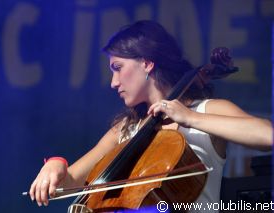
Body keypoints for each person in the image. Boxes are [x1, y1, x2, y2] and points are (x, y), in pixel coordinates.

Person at [28, 20, 272, 210]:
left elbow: (267, 136)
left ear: (146, 63)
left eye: (118, 68)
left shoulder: (206, 110)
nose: (113, 82)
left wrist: (189, 117)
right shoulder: (126, 129)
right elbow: (69, 183)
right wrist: (56, 164)